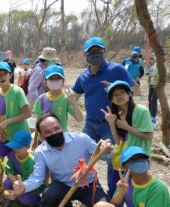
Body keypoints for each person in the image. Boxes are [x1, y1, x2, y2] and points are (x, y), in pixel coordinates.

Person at [11, 113, 111, 207]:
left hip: (88, 185)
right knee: (49, 196)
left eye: (56, 128)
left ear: (61, 127)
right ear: (42, 136)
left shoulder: (81, 139)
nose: (54, 133)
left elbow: (104, 156)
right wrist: (24, 186)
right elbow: (37, 177)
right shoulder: (40, 152)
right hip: (63, 186)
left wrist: (106, 150)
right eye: (47, 132)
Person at [72, 36, 138, 197]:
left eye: (98, 50)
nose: (94, 54)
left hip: (112, 124)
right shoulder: (83, 76)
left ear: (104, 51)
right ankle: (90, 191)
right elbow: (75, 96)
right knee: (82, 157)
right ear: (85, 54)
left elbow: (136, 89)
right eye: (91, 51)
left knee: (113, 161)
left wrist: (116, 88)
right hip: (90, 124)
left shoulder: (116, 70)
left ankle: (113, 196)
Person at [101, 80, 153, 197]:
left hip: (136, 160)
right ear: (111, 99)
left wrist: (127, 127)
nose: (119, 96)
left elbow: (149, 136)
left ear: (130, 94)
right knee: (116, 194)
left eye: (122, 92)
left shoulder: (141, 110)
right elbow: (118, 141)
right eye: (115, 94)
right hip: (119, 161)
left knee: (134, 195)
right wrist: (111, 123)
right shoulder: (120, 114)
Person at [0, 61, 31, 190]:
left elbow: (27, 113)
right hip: (4, 136)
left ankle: (20, 185)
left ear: (10, 75)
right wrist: (0, 131)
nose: (2, 77)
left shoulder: (17, 91)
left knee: (17, 161)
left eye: (5, 74)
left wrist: (8, 122)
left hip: (18, 137)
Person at [31, 64, 83, 150]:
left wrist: (74, 103)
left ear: (63, 80)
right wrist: (36, 139)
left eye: (57, 78)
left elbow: (79, 119)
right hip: (43, 140)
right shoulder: (41, 99)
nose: (54, 81)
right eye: (51, 78)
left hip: (59, 140)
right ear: (45, 81)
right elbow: (38, 122)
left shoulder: (66, 98)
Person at [3, 130, 41, 207]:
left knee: (26, 198)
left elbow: (33, 182)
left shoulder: (31, 161)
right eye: (14, 146)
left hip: (28, 188)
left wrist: (17, 192)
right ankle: (13, 197)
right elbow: (8, 170)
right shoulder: (12, 155)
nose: (15, 149)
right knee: (6, 183)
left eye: (18, 147)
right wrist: (14, 182)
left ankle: (35, 204)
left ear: (27, 147)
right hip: (18, 184)